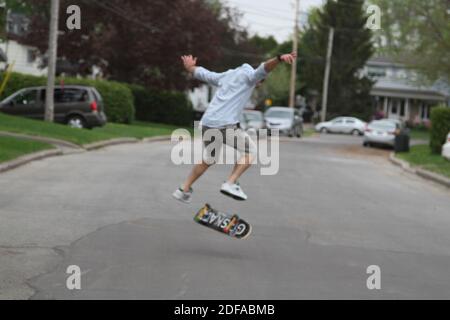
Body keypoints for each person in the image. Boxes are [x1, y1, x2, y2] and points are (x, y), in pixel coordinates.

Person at [173, 52, 297, 203]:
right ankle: (230, 183)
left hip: (207, 123)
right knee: (250, 151)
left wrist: (190, 67)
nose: (257, 85)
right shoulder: (251, 77)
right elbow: (264, 68)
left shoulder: (226, 76)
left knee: (209, 158)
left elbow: (204, 74)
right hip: (225, 124)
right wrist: (278, 59)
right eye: (259, 83)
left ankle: (183, 189)